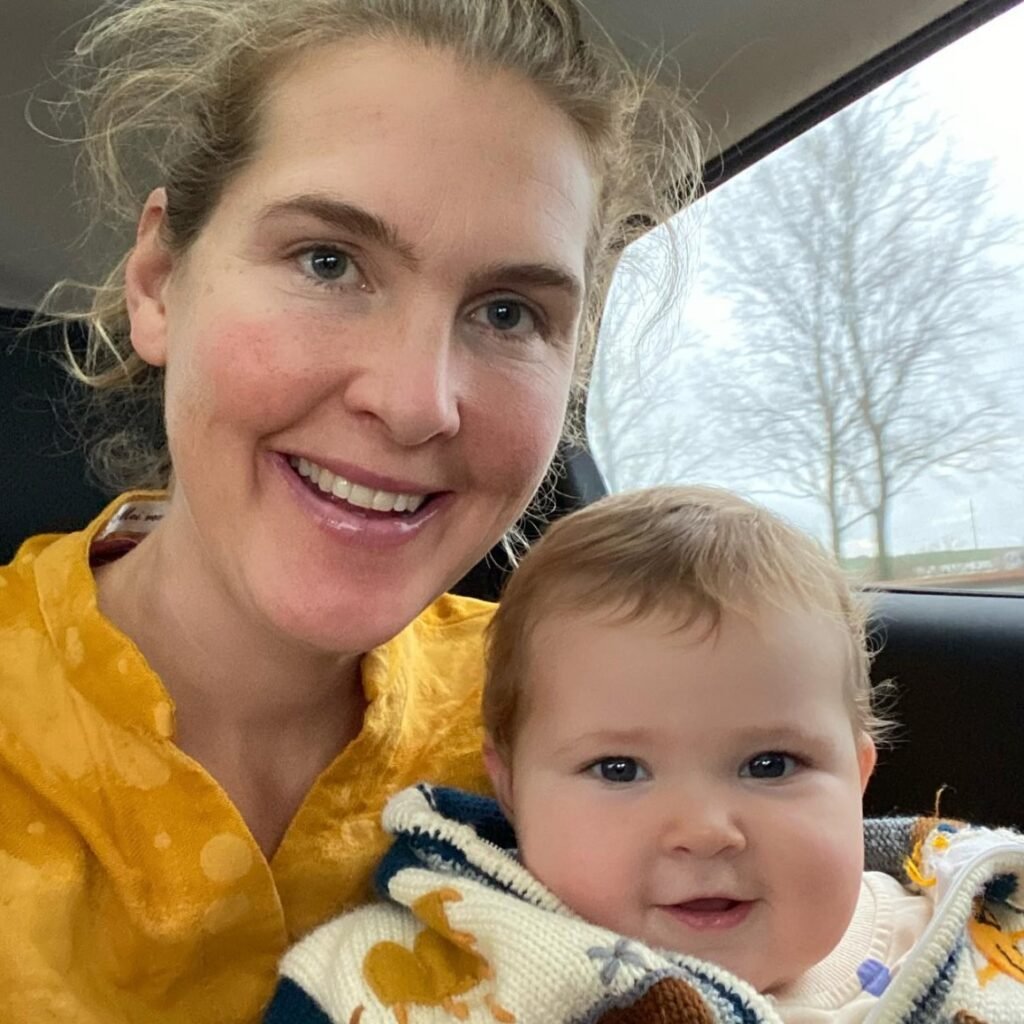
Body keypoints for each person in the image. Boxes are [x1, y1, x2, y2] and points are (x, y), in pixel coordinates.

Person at [0, 2, 703, 1021]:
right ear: (158, 283)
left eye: (508, 313)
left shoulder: (596, 723)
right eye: (327, 261)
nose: (416, 401)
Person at [268, 487, 1024, 1023]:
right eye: (619, 770)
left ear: (858, 778)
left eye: (769, 765)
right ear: (512, 791)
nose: (704, 831)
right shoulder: (406, 980)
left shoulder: (981, 925)